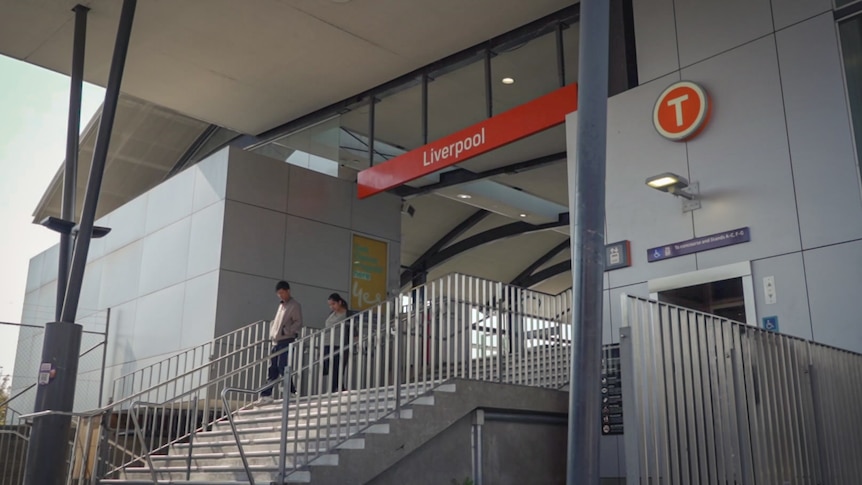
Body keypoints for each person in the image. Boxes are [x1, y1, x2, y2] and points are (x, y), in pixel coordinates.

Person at [255, 280, 302, 406]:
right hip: (276, 341)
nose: (281, 295)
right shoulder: (281, 305)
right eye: (278, 293)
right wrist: (273, 333)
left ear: (288, 291)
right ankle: (266, 395)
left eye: (282, 292)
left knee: (282, 366)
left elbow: (298, 322)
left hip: (286, 340)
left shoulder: (294, 305)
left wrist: (286, 331)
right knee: (273, 368)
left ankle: (291, 392)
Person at [322, 293, 351, 392]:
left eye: (333, 304)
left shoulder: (347, 314)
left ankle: (334, 388)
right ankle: (339, 387)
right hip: (327, 342)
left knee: (337, 367)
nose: (332, 307)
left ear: (339, 302)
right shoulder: (331, 314)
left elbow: (352, 328)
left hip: (340, 344)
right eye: (330, 305)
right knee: (331, 367)